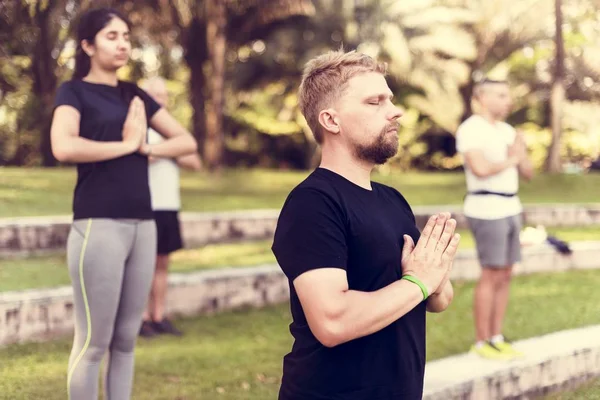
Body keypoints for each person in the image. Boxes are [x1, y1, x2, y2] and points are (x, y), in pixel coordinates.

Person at [271, 49, 461, 400]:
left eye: (390, 99)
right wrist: (418, 282)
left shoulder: (393, 201)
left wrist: (431, 278)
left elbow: (440, 298)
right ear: (331, 120)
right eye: (375, 101)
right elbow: (332, 322)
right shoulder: (313, 203)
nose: (395, 111)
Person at [50, 8, 197, 400]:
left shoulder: (134, 94)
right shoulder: (73, 92)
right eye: (112, 36)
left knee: (126, 341)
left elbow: (186, 141)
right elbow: (63, 146)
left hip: (143, 226)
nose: (122, 43)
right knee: (93, 342)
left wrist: (146, 146)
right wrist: (126, 146)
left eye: (126, 37)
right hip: (98, 226)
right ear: (87, 44)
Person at [455, 78, 534, 360]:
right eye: (500, 95)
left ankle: (496, 337)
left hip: (511, 206)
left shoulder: (508, 130)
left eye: (507, 95)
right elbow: (480, 168)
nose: (507, 101)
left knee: (506, 273)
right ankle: (481, 342)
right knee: (491, 273)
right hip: (486, 208)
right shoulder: (470, 130)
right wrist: (512, 158)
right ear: (481, 97)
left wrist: (521, 152)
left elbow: (529, 173)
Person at [138, 77, 202, 338]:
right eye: (153, 94)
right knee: (143, 264)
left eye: (163, 95)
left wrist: (167, 148)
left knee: (163, 263)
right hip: (144, 205)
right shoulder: (137, 127)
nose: (158, 99)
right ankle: (140, 318)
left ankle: (159, 315)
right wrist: (167, 149)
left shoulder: (172, 130)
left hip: (168, 206)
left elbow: (194, 161)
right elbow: (141, 156)